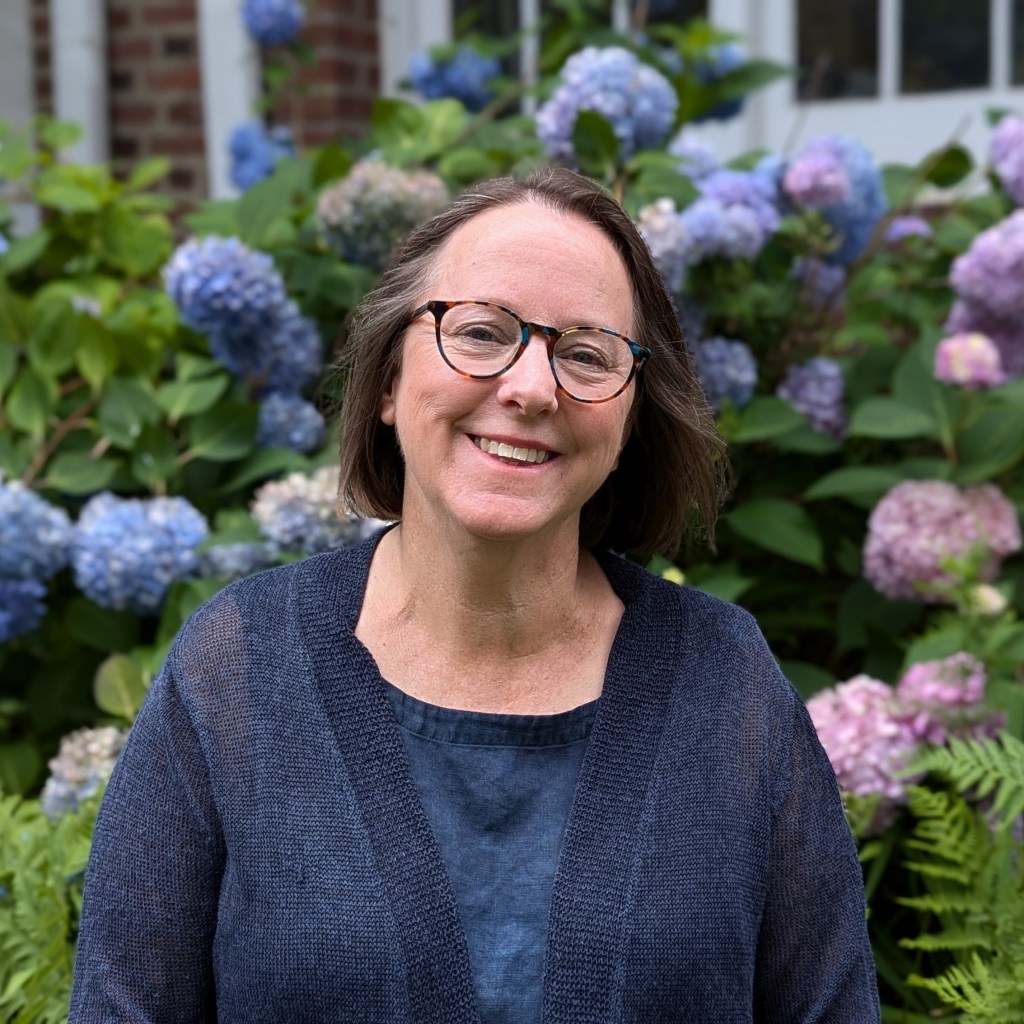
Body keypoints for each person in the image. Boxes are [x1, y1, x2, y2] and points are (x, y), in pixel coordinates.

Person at [70, 167, 881, 1022]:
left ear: (630, 419)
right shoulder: (235, 672)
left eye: (586, 354)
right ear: (387, 381)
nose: (532, 388)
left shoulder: (724, 682)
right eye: (484, 333)